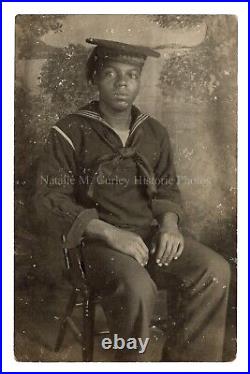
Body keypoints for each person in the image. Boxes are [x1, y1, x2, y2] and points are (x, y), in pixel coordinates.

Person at [35, 38, 231, 362]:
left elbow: (167, 188)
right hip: (95, 244)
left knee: (215, 270)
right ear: (94, 78)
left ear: (139, 81)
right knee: (138, 288)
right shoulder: (69, 130)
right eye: (111, 74)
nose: (122, 83)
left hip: (148, 236)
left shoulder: (154, 132)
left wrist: (170, 225)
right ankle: (130, 364)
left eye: (132, 75)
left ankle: (189, 363)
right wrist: (111, 234)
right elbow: (48, 198)